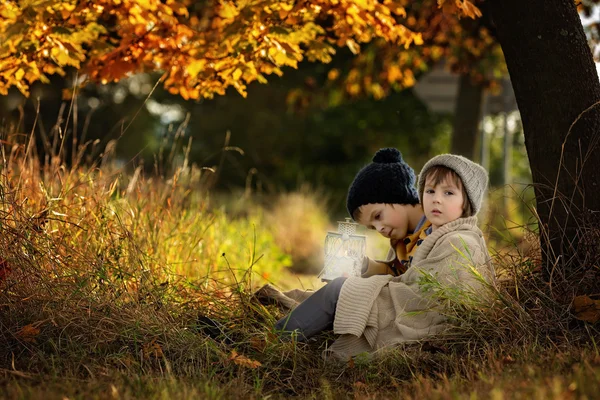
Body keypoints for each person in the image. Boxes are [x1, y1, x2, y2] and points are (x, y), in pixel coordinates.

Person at [276, 151, 495, 360]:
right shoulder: (413, 237)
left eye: (448, 193)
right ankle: (294, 328)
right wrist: (366, 268)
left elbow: (439, 293)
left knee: (340, 290)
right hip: (405, 301)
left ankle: (277, 339)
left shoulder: (458, 241)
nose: (379, 228)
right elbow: (399, 271)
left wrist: (362, 288)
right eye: (430, 192)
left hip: (420, 314)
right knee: (344, 290)